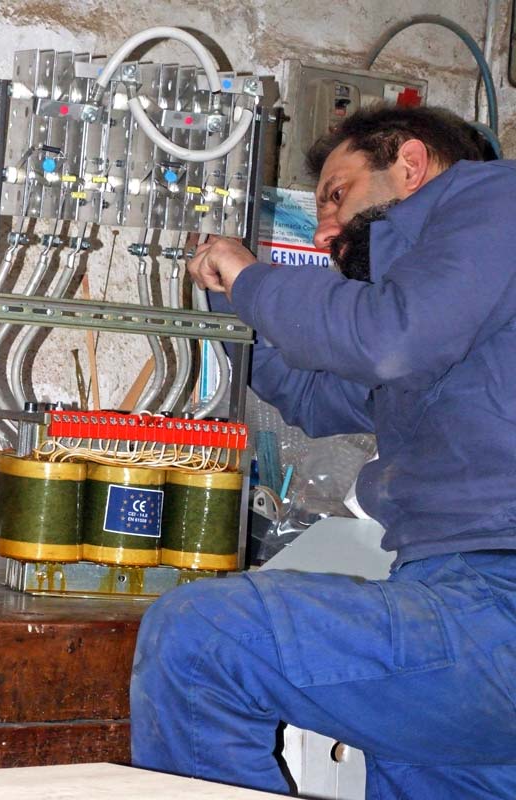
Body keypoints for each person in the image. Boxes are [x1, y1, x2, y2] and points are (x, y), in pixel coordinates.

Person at [130, 106, 516, 799]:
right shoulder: (451, 317)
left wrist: (253, 278)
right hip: (451, 589)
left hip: (499, 599)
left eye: (337, 195)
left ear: (410, 163)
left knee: (203, 640)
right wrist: (232, 307)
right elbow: (321, 395)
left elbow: (386, 339)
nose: (324, 230)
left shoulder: (497, 198)